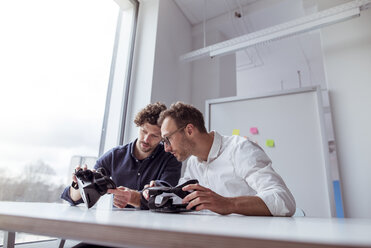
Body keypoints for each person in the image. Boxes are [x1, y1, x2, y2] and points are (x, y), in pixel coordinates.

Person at [156, 101, 296, 216]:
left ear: (190, 130)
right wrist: (159, 193)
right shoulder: (193, 162)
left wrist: (229, 204)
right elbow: (182, 199)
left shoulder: (240, 149)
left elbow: (283, 200)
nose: (166, 148)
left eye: (168, 139)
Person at [61, 102, 182, 208]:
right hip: (117, 226)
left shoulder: (171, 159)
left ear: (163, 137)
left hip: (154, 227)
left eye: (154, 136)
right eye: (144, 131)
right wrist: (80, 184)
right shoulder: (115, 155)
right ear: (138, 125)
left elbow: (166, 198)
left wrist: (133, 197)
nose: (146, 139)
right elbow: (73, 198)